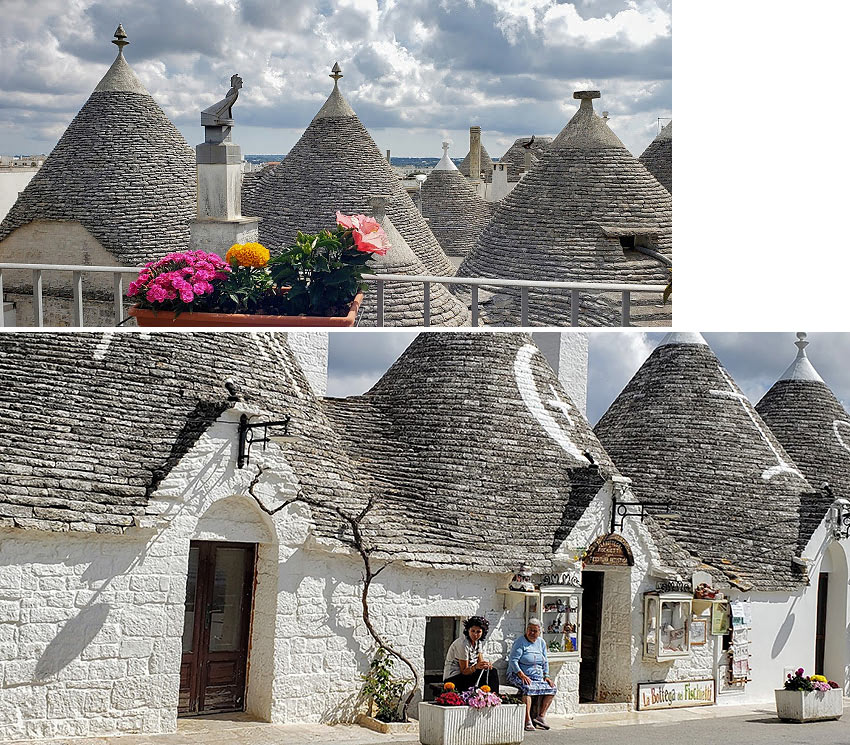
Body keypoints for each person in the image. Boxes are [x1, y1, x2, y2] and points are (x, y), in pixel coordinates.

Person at [507, 619, 556, 731]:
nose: (532, 633)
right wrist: (522, 675)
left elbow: (545, 661)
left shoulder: (541, 643)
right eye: (530, 630)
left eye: (535, 631)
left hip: (537, 677)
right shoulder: (520, 642)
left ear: (540, 632)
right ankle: (527, 720)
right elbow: (513, 661)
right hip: (517, 674)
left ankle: (541, 717)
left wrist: (547, 676)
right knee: (527, 688)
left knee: (552, 688)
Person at [442, 616, 500, 693]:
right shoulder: (463, 644)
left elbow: (480, 663)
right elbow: (464, 671)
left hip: (468, 675)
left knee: (492, 672)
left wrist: (485, 665)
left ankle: (492, 696)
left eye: (478, 632)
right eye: (473, 631)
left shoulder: (478, 643)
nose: (475, 634)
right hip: (454, 678)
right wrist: (476, 667)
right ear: (468, 630)